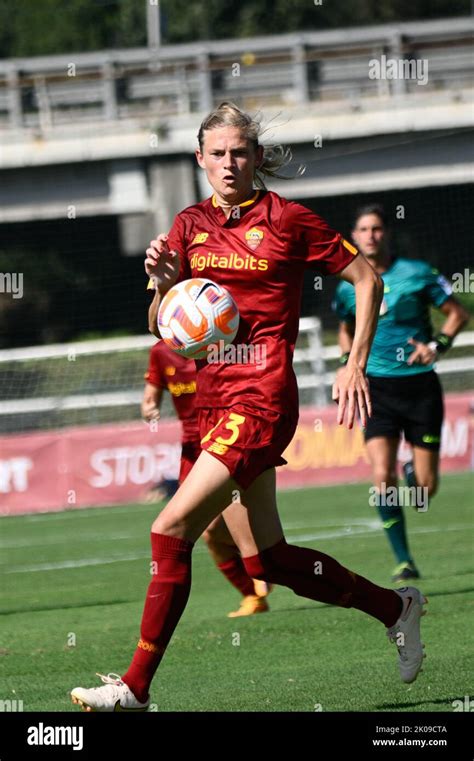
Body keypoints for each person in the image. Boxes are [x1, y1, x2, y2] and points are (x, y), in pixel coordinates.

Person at [71, 102, 427, 712]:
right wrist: (160, 281)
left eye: (240, 152)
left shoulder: (288, 219)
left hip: (261, 397)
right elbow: (162, 326)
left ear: (257, 158)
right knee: (270, 558)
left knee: (170, 527)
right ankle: (395, 607)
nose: (230, 163)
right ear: (201, 160)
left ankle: (134, 687)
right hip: (212, 400)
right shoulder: (186, 226)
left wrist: (354, 361)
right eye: (218, 154)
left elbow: (367, 278)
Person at [333, 204, 468, 583]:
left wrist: (436, 345)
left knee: (424, 490)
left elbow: (457, 314)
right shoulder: (347, 284)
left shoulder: (418, 273)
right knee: (380, 475)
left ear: (387, 233)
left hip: (420, 386)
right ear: (354, 236)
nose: (371, 235)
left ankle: (414, 473)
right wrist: (347, 362)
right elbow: (345, 327)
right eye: (363, 229)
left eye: (377, 228)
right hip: (376, 389)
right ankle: (403, 561)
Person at [142, 339, 272, 616]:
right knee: (210, 531)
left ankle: (264, 566)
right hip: (192, 450)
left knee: (248, 527)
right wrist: (149, 408)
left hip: (229, 439)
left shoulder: (219, 339)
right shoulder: (160, 352)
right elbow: (150, 397)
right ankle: (251, 595)